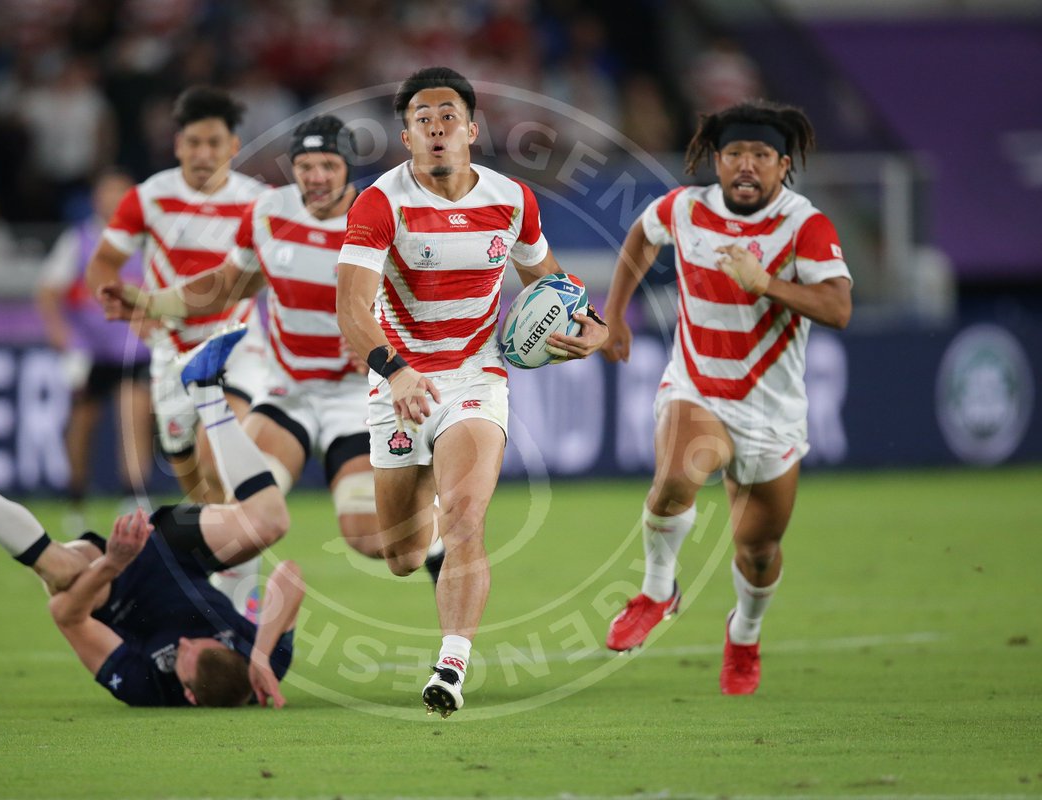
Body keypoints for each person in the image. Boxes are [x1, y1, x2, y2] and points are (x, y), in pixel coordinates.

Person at [334, 67, 609, 716]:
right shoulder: (380, 203)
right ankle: (420, 536)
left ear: (472, 129)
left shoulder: (513, 200)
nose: (436, 129)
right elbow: (351, 309)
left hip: (476, 377)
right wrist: (394, 369)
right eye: (423, 121)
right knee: (401, 556)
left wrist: (591, 328)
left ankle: (451, 665)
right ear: (406, 137)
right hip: (399, 379)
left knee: (465, 517)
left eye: (448, 117)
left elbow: (552, 283)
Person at [98, 116, 444, 605]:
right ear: (293, 168)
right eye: (306, 165)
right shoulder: (268, 213)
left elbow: (427, 306)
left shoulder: (381, 216)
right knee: (242, 513)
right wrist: (154, 303)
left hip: (357, 398)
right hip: (288, 391)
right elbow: (227, 284)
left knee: (369, 540)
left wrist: (381, 341)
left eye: (328, 165)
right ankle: (216, 617)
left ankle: (441, 536)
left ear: (348, 169)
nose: (317, 176)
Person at [600, 100, 853, 695]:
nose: (746, 166)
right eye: (735, 153)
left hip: (772, 410)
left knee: (758, 550)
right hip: (697, 383)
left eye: (761, 156)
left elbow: (838, 308)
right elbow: (642, 235)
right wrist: (615, 314)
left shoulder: (804, 225)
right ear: (716, 159)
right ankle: (658, 592)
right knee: (674, 480)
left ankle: (745, 632)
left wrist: (766, 283)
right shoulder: (686, 209)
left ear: (782, 165)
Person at [0, 328, 301, 708]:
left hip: (114, 588)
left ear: (189, 696)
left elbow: (65, 616)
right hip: (176, 554)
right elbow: (291, 576)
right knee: (269, 522)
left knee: (62, 576)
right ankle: (205, 388)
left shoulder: (144, 687)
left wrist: (114, 561)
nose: (184, 641)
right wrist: (263, 656)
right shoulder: (252, 662)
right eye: (202, 643)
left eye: (181, 656)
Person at [84, 86, 268, 507]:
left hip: (237, 341)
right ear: (177, 145)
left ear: (234, 146)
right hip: (171, 346)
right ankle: (228, 552)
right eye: (194, 143)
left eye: (214, 143)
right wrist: (123, 307)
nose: (203, 153)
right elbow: (103, 262)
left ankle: (239, 553)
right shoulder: (149, 198)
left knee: (213, 452)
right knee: (192, 476)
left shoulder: (257, 202)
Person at [36, 170, 153, 531]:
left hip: (133, 350)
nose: (113, 201)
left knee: (134, 418)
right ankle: (76, 497)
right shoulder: (79, 241)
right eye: (108, 194)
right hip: (89, 350)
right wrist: (63, 337)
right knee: (82, 424)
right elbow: (48, 291)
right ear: (95, 200)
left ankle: (133, 496)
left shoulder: (146, 243)